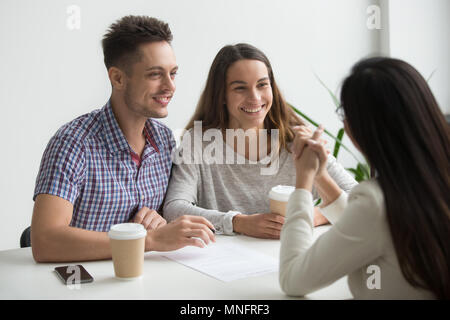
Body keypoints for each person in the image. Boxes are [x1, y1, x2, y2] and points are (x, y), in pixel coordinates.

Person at [31, 15, 215, 263]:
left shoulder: (164, 141)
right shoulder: (73, 143)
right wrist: (148, 241)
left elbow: (162, 221)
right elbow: (45, 242)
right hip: (82, 284)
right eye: (155, 75)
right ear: (117, 78)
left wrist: (158, 223)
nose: (169, 86)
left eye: (173, 73)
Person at [279, 57, 450, 299]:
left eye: (344, 113)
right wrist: (321, 176)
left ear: (361, 128)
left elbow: (292, 279)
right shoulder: (429, 180)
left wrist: (303, 181)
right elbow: (371, 228)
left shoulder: (377, 201)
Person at [163, 43, 357, 239]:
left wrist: (313, 216)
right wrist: (238, 222)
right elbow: (174, 208)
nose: (254, 98)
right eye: (240, 88)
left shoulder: (296, 141)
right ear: (221, 95)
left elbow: (357, 197)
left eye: (262, 85)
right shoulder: (198, 143)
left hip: (288, 255)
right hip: (224, 261)